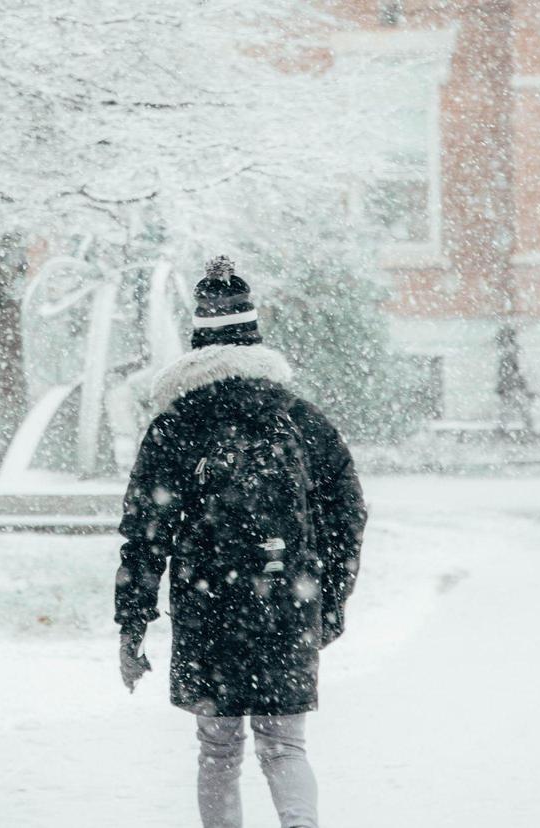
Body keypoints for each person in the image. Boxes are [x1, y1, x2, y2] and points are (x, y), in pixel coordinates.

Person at [115, 258, 367, 828]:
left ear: (196, 340)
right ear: (256, 336)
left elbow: (144, 532)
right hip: (286, 599)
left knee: (218, 749)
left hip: (208, 608)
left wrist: (132, 624)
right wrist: (330, 597)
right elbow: (347, 513)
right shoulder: (299, 419)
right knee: (285, 747)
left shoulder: (177, 424)